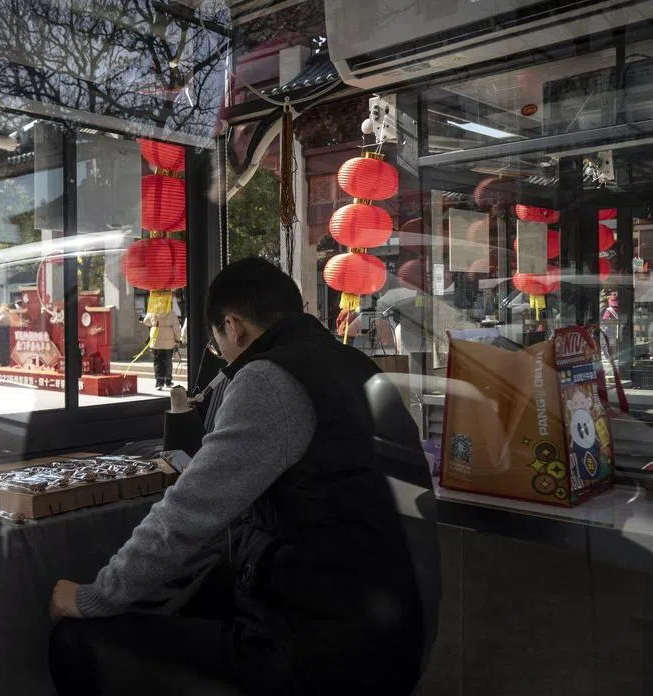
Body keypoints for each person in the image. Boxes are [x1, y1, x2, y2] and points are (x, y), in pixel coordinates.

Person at [48, 257, 425, 696]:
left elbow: (187, 515)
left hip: (320, 651)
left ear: (234, 326)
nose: (221, 356)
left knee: (77, 641)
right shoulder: (353, 365)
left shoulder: (269, 380)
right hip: (383, 627)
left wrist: (95, 596)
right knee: (195, 595)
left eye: (216, 344)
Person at [143, 306, 182, 390]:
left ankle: (159, 383)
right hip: (168, 341)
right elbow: (176, 327)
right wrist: (178, 339)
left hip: (155, 340)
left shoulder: (152, 310)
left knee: (157, 361)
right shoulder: (171, 313)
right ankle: (168, 381)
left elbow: (146, 321)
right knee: (167, 360)